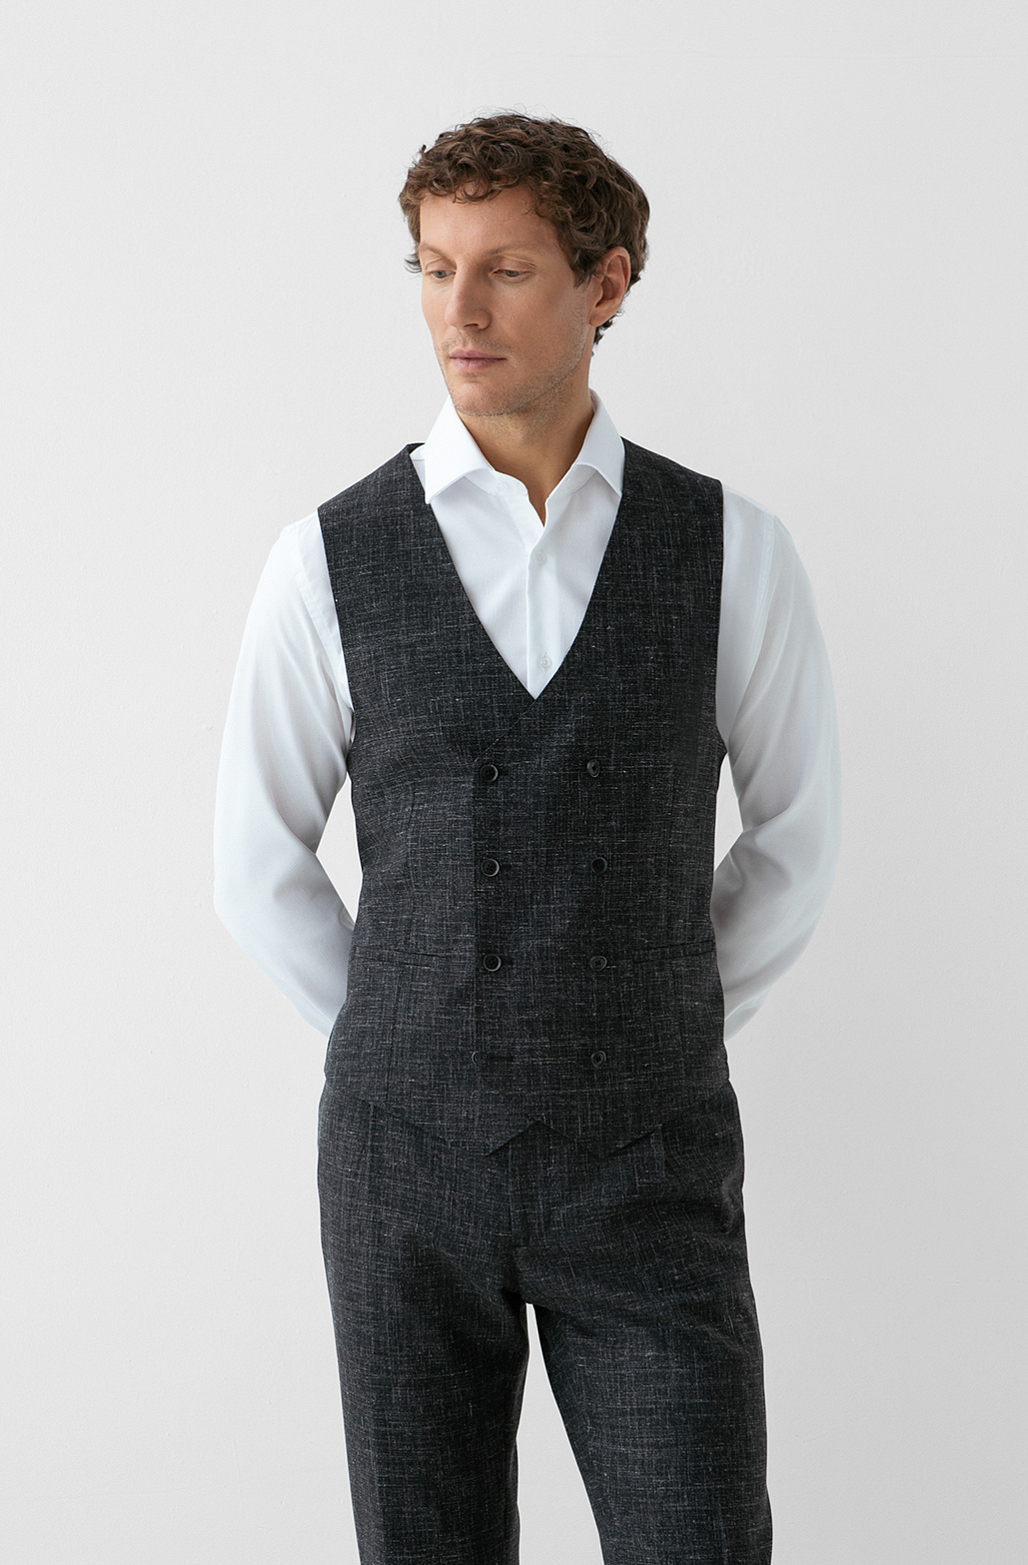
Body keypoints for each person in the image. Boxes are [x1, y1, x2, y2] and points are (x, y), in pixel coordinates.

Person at [214, 111, 841, 1565]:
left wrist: (659, 1019)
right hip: (402, 1173)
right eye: (434, 269)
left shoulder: (733, 548)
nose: (461, 311)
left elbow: (797, 838)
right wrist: (410, 1036)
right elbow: (257, 860)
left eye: (505, 270)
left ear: (605, 284)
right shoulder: (327, 557)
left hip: (649, 1161)